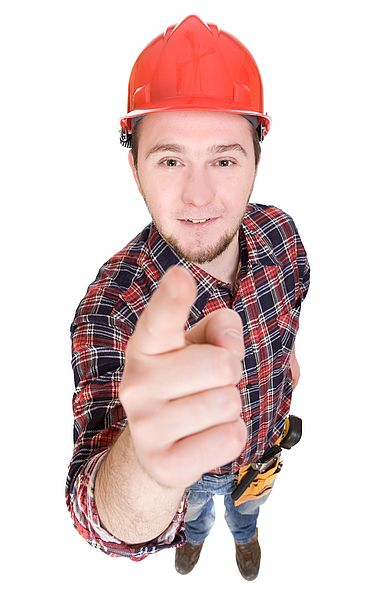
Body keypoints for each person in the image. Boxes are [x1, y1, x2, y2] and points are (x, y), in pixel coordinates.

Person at [65, 14, 310, 581]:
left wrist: (287, 362)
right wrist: (151, 470)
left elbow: (291, 309)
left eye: (224, 160)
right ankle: (192, 544)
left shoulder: (282, 236)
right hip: (189, 486)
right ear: (134, 167)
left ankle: (245, 539)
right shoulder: (111, 307)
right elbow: (98, 506)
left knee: (248, 512)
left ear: (255, 160)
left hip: (265, 451)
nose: (199, 195)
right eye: (171, 160)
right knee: (196, 516)